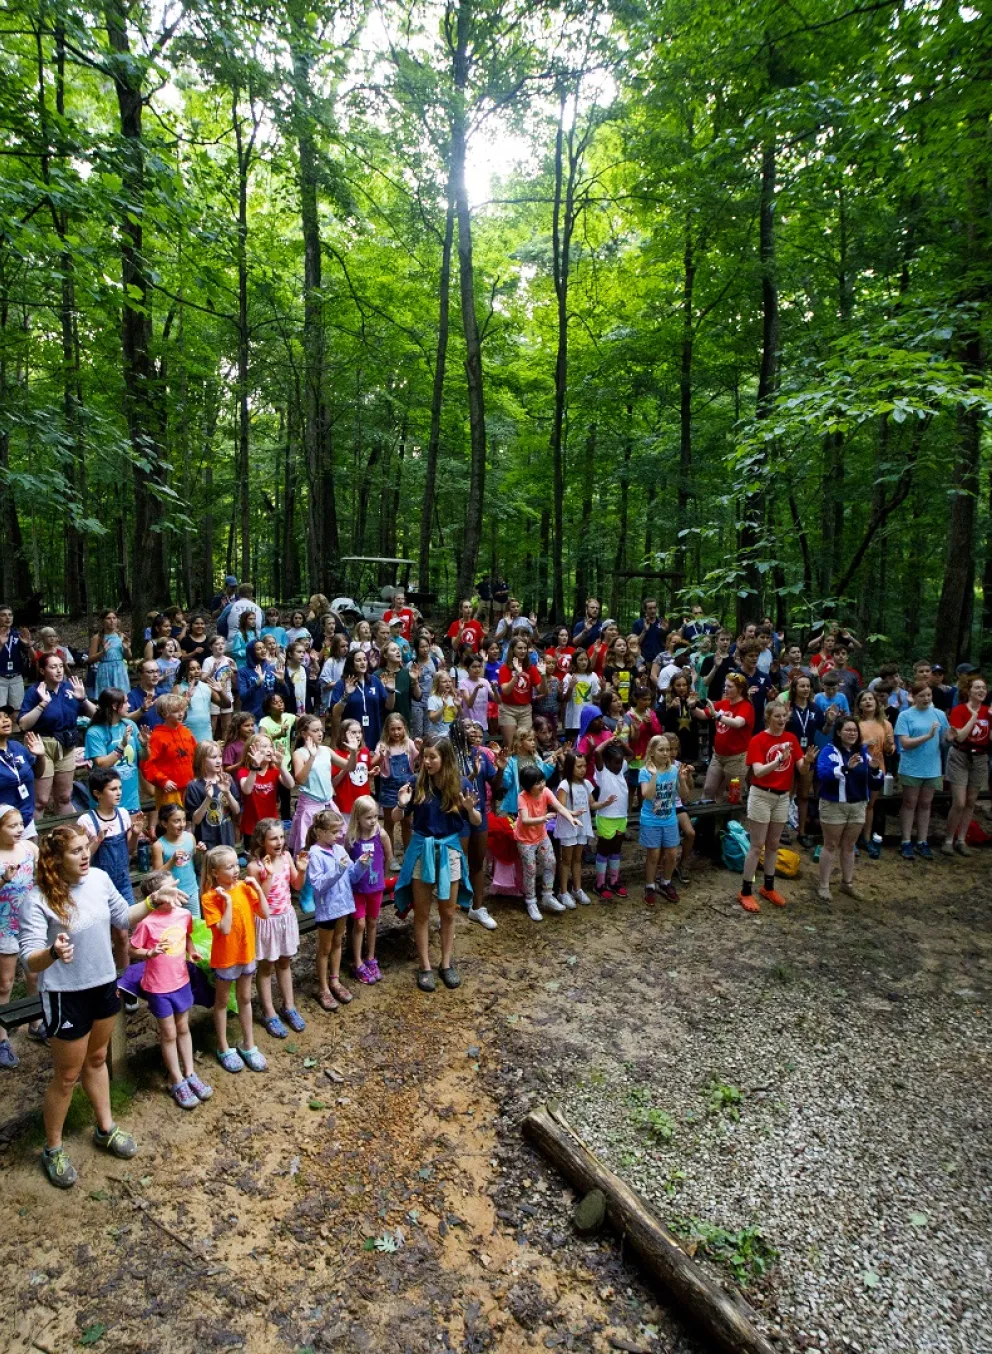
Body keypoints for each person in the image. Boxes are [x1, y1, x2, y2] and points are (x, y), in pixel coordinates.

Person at [19, 825, 136, 1187]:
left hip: (103, 983)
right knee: (67, 1076)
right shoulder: (38, 898)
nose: (85, 855)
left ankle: (105, 1127)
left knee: (98, 1059)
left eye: (86, 848)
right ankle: (52, 1148)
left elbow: (123, 918)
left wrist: (154, 901)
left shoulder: (99, 879)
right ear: (55, 859)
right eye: (75, 851)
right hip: (64, 995)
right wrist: (52, 953)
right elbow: (29, 959)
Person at [391, 740, 481, 991]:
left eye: (432, 757)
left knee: (448, 912)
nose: (427, 762)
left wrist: (470, 810)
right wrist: (400, 804)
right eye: (424, 757)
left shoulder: (461, 785)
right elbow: (398, 818)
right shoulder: (416, 782)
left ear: (445, 758)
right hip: (422, 850)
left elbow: (476, 819)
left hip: (449, 850)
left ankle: (446, 963)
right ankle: (425, 966)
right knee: (421, 912)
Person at [128, 873, 211, 1111]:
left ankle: (190, 1073)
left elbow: (186, 937)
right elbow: (132, 949)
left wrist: (192, 952)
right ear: (156, 897)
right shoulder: (147, 922)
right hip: (158, 987)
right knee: (168, 1033)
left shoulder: (184, 915)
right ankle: (176, 1080)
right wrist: (150, 953)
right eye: (169, 890)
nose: (176, 893)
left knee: (183, 1028)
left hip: (181, 982)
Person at [200, 846, 269, 1073]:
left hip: (246, 953)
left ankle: (249, 1044)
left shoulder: (244, 888)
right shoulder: (210, 898)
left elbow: (265, 913)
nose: (236, 870)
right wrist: (227, 902)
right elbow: (225, 929)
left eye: (236, 865)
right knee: (221, 1002)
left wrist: (258, 888)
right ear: (214, 873)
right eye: (229, 867)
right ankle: (223, 1047)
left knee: (246, 998)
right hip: (226, 959)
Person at [738, 703, 810, 913]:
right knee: (756, 845)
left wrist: (807, 761)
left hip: (782, 797)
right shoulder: (758, 740)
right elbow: (758, 772)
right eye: (777, 716)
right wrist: (779, 760)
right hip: (761, 795)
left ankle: (768, 887)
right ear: (768, 717)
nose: (781, 720)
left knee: (773, 844)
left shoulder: (791, 739)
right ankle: (745, 890)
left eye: (784, 716)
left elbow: (801, 769)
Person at [244, 818, 306, 1038]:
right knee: (266, 966)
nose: (279, 842)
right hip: (266, 921)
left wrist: (301, 870)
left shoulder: (287, 856)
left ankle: (289, 1006)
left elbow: (297, 885)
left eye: (281, 837)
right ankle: (269, 1011)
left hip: (285, 917)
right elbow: (257, 898)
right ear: (262, 841)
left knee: (284, 962)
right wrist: (268, 874)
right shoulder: (254, 867)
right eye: (273, 838)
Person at [18, 654, 94, 817]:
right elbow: (23, 724)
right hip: (42, 744)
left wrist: (83, 700)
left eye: (60, 666)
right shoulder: (34, 691)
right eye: (53, 667)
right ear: (42, 670)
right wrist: (42, 704)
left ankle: (67, 838)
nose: (59, 670)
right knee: (41, 800)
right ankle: (33, 836)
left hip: (67, 744)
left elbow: (96, 715)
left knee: (64, 797)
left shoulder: (70, 688)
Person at [303, 809, 361, 1010]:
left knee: (338, 942)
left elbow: (351, 874)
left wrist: (361, 865)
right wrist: (338, 869)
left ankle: (335, 980)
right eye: (335, 832)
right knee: (325, 948)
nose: (340, 836)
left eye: (340, 832)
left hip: (343, 904)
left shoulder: (339, 849)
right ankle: (324, 988)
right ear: (320, 832)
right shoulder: (315, 854)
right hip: (328, 908)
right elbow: (318, 885)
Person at [0, 805, 41, 1066]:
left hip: (30, 922)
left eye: (19, 824)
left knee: (35, 974)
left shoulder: (30, 849)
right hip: (4, 925)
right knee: (4, 984)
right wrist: (4, 880)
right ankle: (2, 1039)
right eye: (11, 826)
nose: (18, 830)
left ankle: (37, 1024)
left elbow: (40, 877)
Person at [816, 717, 873, 901]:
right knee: (831, 844)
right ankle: (824, 885)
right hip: (834, 804)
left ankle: (847, 884)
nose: (852, 733)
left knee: (849, 846)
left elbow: (872, 775)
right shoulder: (829, 751)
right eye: (848, 730)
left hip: (858, 804)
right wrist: (846, 768)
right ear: (839, 732)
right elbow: (823, 774)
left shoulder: (862, 752)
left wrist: (876, 770)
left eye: (855, 730)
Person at [894, 679, 950, 861]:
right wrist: (927, 736)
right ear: (913, 697)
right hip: (911, 766)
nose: (926, 698)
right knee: (910, 803)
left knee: (926, 804)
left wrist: (951, 738)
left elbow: (944, 740)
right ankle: (905, 841)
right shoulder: (905, 716)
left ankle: (922, 841)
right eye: (922, 695)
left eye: (928, 695)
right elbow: (904, 743)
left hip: (932, 766)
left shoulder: (939, 714)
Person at [78, 767, 143, 904]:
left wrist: (136, 834)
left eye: (119, 788)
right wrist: (98, 840)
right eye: (113, 789)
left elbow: (130, 850)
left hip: (123, 881)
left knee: (129, 920)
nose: (118, 793)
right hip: (98, 885)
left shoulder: (123, 814)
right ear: (97, 793)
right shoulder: (86, 821)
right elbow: (82, 858)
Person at [345, 795, 392, 983]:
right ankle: (357, 962)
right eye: (368, 817)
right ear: (358, 818)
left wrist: (382, 875)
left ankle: (371, 957)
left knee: (372, 922)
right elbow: (347, 862)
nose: (373, 821)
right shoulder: (351, 839)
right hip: (357, 889)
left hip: (376, 888)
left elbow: (388, 857)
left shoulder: (381, 834)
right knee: (360, 924)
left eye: (375, 816)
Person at [944, 674, 989, 855]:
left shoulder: (989, 711)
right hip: (960, 755)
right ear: (968, 691)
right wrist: (973, 717)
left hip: (980, 757)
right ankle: (948, 840)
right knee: (960, 802)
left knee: (971, 801)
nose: (981, 691)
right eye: (977, 688)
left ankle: (962, 840)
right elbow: (960, 736)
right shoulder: (959, 710)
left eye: (984, 688)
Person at [638, 735, 681, 905]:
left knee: (671, 853)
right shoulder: (644, 772)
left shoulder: (674, 771)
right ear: (652, 752)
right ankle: (649, 885)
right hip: (651, 820)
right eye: (661, 750)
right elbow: (647, 795)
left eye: (668, 750)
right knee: (654, 854)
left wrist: (684, 780)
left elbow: (684, 795)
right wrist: (654, 775)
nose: (665, 753)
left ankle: (666, 882)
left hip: (669, 818)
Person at [85, 688, 142, 814]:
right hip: (106, 803)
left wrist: (146, 745)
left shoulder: (130, 725)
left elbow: (144, 758)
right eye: (126, 702)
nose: (129, 705)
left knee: (132, 833)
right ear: (115, 706)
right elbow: (101, 764)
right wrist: (122, 745)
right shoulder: (95, 732)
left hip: (131, 800)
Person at [699, 674, 755, 802]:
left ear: (740, 689)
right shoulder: (723, 703)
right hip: (718, 756)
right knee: (708, 789)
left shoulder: (746, 706)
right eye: (725, 686)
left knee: (733, 794)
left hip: (737, 759)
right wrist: (691, 704)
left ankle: (732, 821)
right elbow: (703, 714)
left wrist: (717, 716)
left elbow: (737, 723)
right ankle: (705, 820)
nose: (726, 689)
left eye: (730, 686)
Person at [235, 732, 294, 849]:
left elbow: (290, 784)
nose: (269, 750)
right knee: (254, 858)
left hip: (272, 824)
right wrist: (254, 767)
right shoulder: (244, 771)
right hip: (251, 826)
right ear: (252, 750)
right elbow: (247, 790)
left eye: (271, 746)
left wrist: (281, 766)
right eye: (264, 746)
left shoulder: (274, 770)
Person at [854, 689, 895, 859]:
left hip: (877, 768)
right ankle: (853, 840)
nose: (868, 702)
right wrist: (863, 743)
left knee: (870, 805)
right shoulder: (855, 723)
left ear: (877, 703)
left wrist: (889, 746)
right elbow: (847, 745)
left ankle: (866, 838)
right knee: (857, 804)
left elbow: (890, 750)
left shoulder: (885, 724)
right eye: (864, 700)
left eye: (871, 699)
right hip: (858, 767)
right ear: (859, 705)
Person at [785, 674, 824, 848]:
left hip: (809, 754)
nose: (806, 689)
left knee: (803, 795)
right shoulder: (788, 707)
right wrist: (784, 717)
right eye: (802, 686)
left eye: (808, 686)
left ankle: (801, 832)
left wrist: (830, 721)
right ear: (794, 689)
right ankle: (783, 831)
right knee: (786, 795)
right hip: (789, 754)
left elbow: (824, 729)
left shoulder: (815, 708)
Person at [376, 713, 418, 868]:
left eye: (399, 728)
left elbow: (418, 759)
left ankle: (408, 853)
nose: (396, 732)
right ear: (387, 730)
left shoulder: (409, 744)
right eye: (392, 729)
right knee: (389, 823)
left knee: (407, 822)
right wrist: (380, 756)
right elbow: (375, 763)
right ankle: (390, 856)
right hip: (388, 788)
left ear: (404, 728)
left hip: (406, 788)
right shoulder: (383, 745)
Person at [329, 649, 393, 751]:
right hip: (351, 734)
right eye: (358, 660)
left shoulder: (374, 681)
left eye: (364, 659)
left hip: (373, 731)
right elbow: (335, 713)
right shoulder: (342, 684)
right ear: (351, 663)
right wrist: (346, 694)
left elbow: (389, 706)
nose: (363, 662)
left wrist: (391, 691)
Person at [143, 693, 197, 812]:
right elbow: (147, 764)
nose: (180, 714)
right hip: (169, 790)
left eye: (182, 710)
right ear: (164, 714)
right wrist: (163, 780)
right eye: (176, 711)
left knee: (190, 821)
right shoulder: (157, 737)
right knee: (171, 821)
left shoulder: (186, 732)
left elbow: (196, 756)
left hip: (190, 786)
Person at [185, 741, 241, 851]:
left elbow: (236, 810)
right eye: (213, 757)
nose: (219, 761)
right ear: (202, 760)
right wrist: (208, 798)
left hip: (226, 835)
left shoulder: (227, 779)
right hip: (206, 839)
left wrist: (227, 793)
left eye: (220, 756)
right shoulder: (194, 786)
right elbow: (195, 820)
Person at [150, 802, 203, 918]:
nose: (182, 824)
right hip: (170, 895)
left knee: (195, 926)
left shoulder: (190, 837)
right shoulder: (159, 846)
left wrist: (200, 852)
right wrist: (172, 860)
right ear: (164, 823)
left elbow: (196, 863)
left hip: (191, 890)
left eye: (184, 820)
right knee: (175, 928)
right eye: (176, 821)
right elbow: (157, 875)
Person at [591, 740, 630, 898]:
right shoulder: (602, 773)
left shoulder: (621, 770)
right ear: (606, 762)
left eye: (621, 762)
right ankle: (599, 883)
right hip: (606, 817)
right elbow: (597, 752)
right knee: (604, 849)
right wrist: (608, 741)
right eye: (615, 763)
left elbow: (631, 755)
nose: (619, 766)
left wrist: (621, 743)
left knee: (616, 849)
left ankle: (613, 881)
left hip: (621, 817)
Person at [497, 636, 547, 744]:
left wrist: (543, 675)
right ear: (512, 649)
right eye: (519, 648)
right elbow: (505, 691)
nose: (523, 651)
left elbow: (542, 691)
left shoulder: (531, 668)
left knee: (525, 743)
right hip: (508, 709)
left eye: (525, 648)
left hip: (525, 710)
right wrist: (516, 675)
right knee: (510, 744)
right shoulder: (505, 668)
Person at [0, 709, 41, 836]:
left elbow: (38, 774)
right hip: (3, 822)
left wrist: (41, 756)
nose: (6, 720)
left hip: (26, 818)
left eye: (6, 716)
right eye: (0, 718)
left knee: (32, 855)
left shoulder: (17, 747)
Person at [201, 635, 236, 739]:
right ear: (211, 647)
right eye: (217, 644)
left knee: (227, 725)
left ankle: (225, 747)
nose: (220, 646)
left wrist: (234, 671)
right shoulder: (208, 660)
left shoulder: (229, 660)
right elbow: (202, 679)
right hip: (213, 696)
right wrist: (212, 671)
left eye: (222, 643)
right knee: (213, 725)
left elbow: (234, 682)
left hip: (227, 694)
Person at [562, 647, 600, 740]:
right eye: (580, 660)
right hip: (573, 720)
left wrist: (602, 689)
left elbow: (596, 697)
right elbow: (565, 699)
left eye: (586, 659)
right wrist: (571, 687)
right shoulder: (569, 676)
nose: (584, 662)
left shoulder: (593, 676)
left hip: (589, 719)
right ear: (575, 662)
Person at [180, 659, 220, 745]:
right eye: (192, 669)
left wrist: (221, 692)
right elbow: (174, 714)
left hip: (206, 736)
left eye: (198, 668)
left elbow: (226, 704)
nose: (197, 671)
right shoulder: (178, 688)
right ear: (185, 671)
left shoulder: (207, 687)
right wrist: (187, 699)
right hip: (186, 736)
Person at [0, 603, 31, 713]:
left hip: (16, 678)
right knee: (1, 712)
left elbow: (33, 658)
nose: (8, 617)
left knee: (17, 711)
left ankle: (15, 730)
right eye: (3, 615)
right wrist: (1, 645)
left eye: (10, 615)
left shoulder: (18, 635)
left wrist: (28, 645)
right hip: (0, 678)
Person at [632, 598, 668, 665]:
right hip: (644, 660)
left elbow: (669, 642)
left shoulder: (662, 622)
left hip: (660, 660)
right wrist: (644, 631)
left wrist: (665, 631)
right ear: (645, 610)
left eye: (654, 608)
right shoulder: (638, 623)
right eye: (650, 608)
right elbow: (634, 643)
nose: (653, 611)